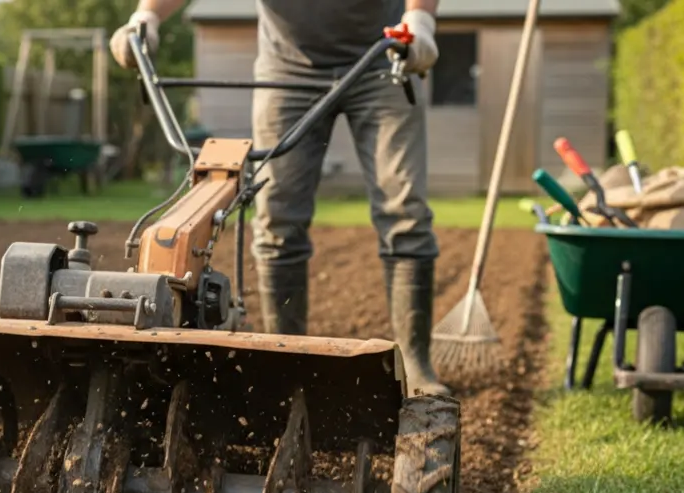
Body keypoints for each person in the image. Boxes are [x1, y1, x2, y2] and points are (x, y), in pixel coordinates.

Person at [109, 0, 449, 396]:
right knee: (277, 220)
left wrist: (420, 20)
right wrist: (147, 16)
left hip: (384, 60)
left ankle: (416, 364)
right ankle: (286, 363)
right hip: (287, 67)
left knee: (405, 213)